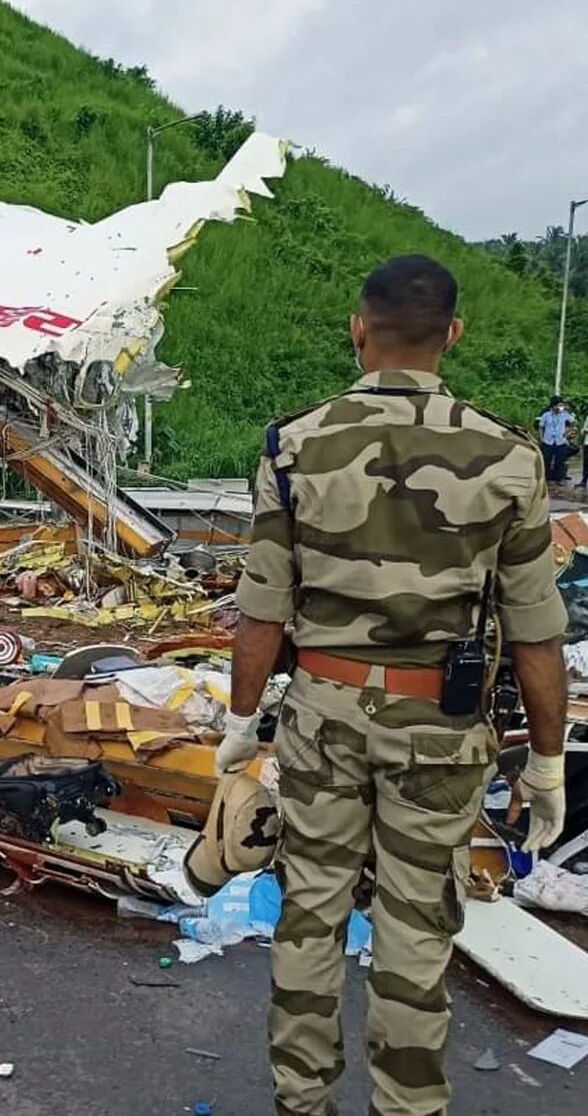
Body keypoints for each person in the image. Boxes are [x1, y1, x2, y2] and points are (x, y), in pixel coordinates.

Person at [218, 255, 568, 1116]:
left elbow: (263, 610)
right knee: (418, 930)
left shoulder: (295, 445)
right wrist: (549, 763)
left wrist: (240, 721)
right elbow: (536, 630)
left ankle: (302, 1102)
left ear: (357, 329)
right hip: (440, 729)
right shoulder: (511, 458)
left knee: (309, 916)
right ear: (453, 334)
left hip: (322, 715)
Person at [537, 395, 574, 483]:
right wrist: (541, 438)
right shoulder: (546, 415)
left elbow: (573, 423)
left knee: (560, 461)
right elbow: (541, 427)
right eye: (558, 405)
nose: (560, 407)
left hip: (560, 441)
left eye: (561, 405)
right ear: (553, 406)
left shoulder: (565, 415)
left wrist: (568, 433)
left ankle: (559, 479)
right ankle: (545, 478)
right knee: (546, 460)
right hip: (548, 441)